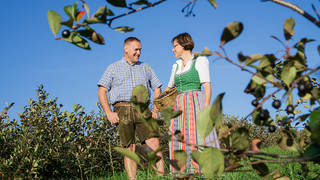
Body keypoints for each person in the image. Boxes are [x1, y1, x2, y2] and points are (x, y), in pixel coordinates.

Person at [97, 37, 164, 180]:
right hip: (122, 109)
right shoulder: (113, 67)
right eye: (136, 49)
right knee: (129, 148)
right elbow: (102, 90)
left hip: (143, 109)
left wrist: (155, 111)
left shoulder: (145, 67)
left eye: (140, 50)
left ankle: (161, 177)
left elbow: (157, 87)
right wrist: (109, 112)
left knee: (154, 143)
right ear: (126, 49)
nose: (139, 53)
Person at [167, 33, 220, 174]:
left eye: (175, 46)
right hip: (178, 104)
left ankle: (199, 171)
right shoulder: (176, 66)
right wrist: (157, 102)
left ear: (184, 45)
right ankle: (181, 171)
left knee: (196, 135)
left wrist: (206, 108)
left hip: (195, 101)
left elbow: (207, 85)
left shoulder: (200, 60)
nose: (173, 50)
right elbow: (169, 88)